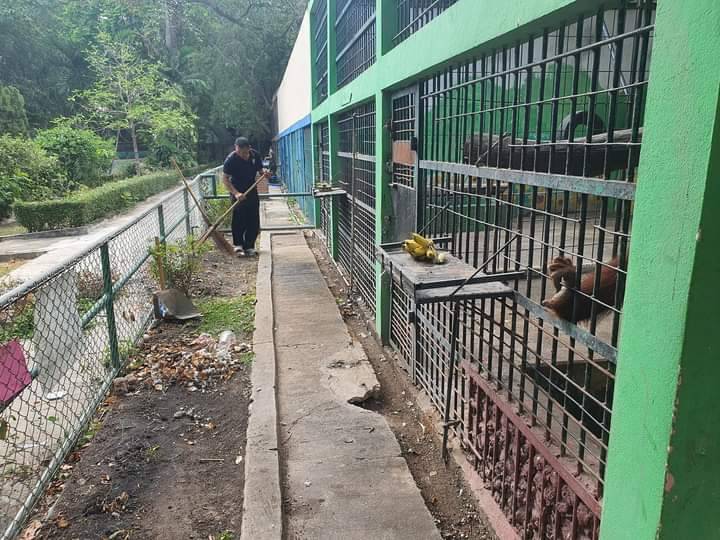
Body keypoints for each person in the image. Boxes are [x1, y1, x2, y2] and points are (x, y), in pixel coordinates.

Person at [222, 137, 269, 256]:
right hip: (236, 190)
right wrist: (236, 193)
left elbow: (260, 170)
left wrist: (265, 174)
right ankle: (238, 245)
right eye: (239, 152)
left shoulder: (255, 155)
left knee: (253, 219)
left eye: (244, 152)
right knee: (239, 218)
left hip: (251, 190)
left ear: (249, 148)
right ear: (236, 148)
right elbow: (225, 179)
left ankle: (249, 246)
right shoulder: (231, 160)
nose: (242, 155)